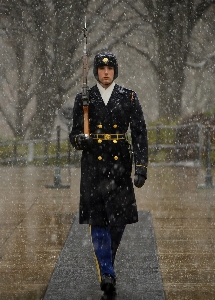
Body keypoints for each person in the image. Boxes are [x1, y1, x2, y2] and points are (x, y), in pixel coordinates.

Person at [70, 51, 148, 298]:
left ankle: (107, 265)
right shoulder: (85, 98)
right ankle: (107, 272)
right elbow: (74, 134)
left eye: (110, 68)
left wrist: (141, 166)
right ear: (95, 72)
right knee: (98, 219)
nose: (106, 72)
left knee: (118, 221)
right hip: (94, 164)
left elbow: (139, 133)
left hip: (119, 165)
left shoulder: (129, 97)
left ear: (115, 71)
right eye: (102, 69)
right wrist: (80, 139)